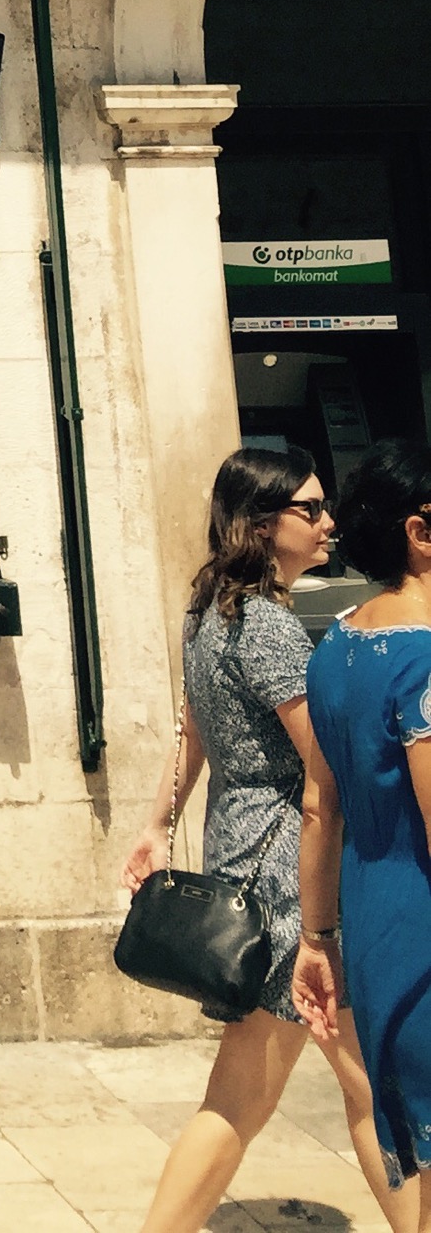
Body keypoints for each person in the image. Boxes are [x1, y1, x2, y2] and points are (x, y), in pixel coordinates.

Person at [124, 445, 411, 1233]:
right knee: (375, 1087)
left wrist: (159, 824)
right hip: (293, 870)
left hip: (240, 855)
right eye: (309, 510)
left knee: (241, 1094)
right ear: (261, 522)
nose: (327, 524)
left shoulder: (208, 610)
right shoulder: (270, 628)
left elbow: (195, 734)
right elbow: (326, 761)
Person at [293, 438, 431, 1217]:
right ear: (420, 531)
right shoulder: (423, 663)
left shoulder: (336, 644)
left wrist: (317, 940)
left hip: (376, 943)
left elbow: (321, 806)